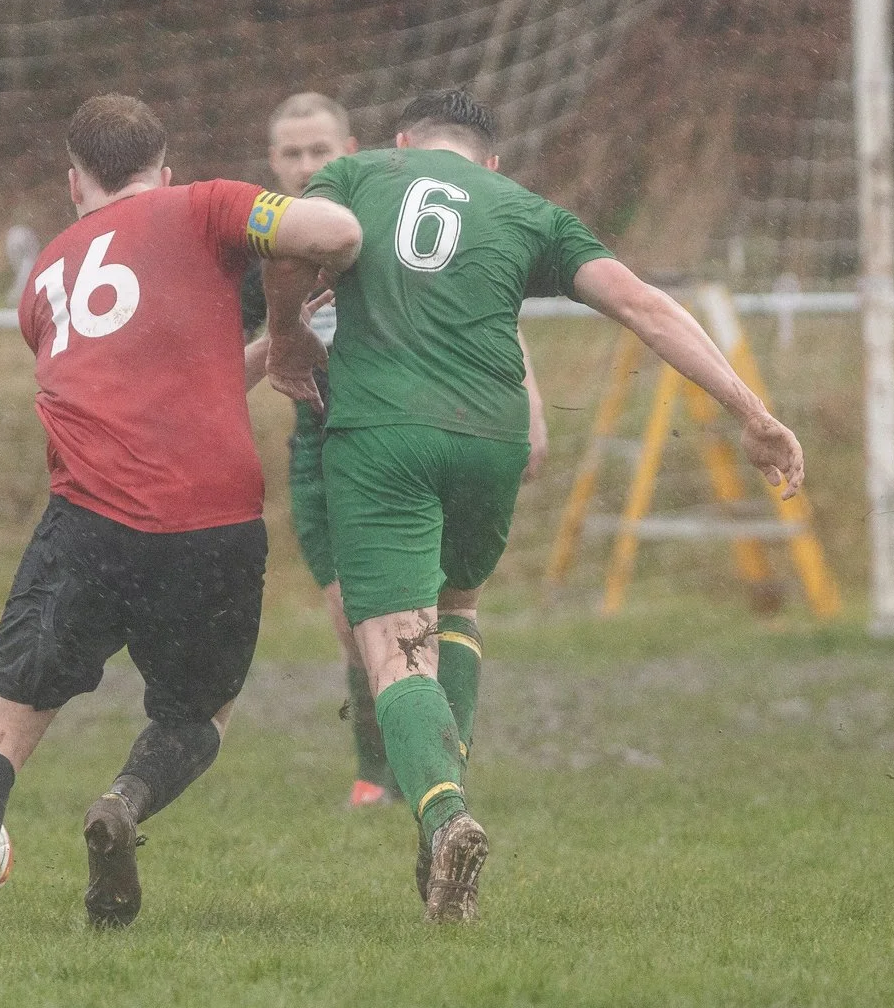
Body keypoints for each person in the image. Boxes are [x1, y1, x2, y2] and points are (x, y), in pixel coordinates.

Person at [262, 87, 805, 922]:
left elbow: (285, 242)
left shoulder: (356, 175)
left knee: (392, 649)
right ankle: (439, 824)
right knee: (458, 612)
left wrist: (290, 333)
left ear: (404, 140)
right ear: (493, 160)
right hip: (492, 438)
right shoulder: (529, 211)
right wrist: (753, 414)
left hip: (383, 436)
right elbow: (644, 307)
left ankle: (442, 814)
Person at [0, 94, 362, 931]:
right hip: (214, 523)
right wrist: (292, 327)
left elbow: (154, 391)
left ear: (74, 185)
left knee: (4, 717)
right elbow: (335, 235)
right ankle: (122, 800)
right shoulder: (206, 205)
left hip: (91, 522)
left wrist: (264, 348)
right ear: (166, 168)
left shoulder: (41, 282)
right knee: (200, 714)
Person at [239, 93, 549, 810]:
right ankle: (387, 766)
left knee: (426, 608)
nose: (307, 163)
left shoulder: (383, 209)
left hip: (410, 421)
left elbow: (479, 311)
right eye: (292, 153)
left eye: (321, 150)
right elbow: (239, 351)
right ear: (273, 162)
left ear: (356, 147)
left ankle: (410, 776)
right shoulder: (266, 246)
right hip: (322, 437)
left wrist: (528, 395)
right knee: (353, 617)